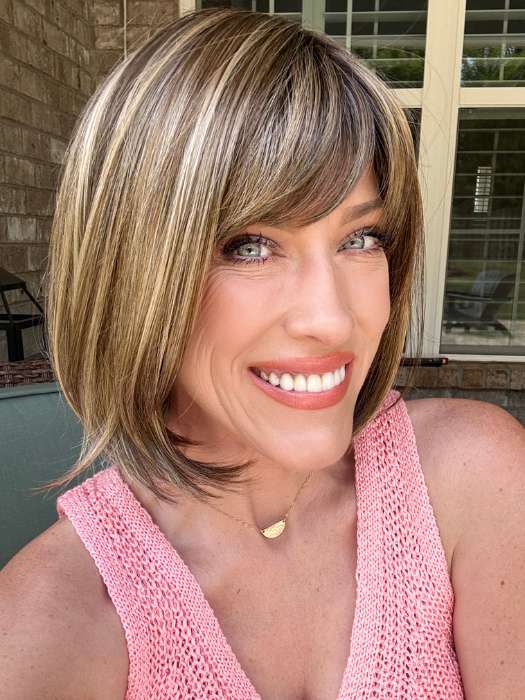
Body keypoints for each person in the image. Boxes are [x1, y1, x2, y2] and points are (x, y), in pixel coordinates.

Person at [1, 7, 524, 699]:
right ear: (126, 273)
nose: (331, 319)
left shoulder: (471, 476)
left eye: (360, 238)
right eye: (249, 245)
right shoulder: (51, 620)